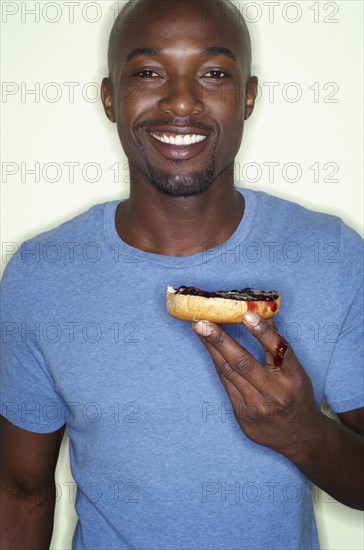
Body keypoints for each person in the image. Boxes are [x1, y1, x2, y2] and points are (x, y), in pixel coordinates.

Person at [1, 0, 363, 548]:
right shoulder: (39, 274)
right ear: (110, 98)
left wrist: (306, 438)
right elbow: (20, 492)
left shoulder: (331, 254)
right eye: (148, 72)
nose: (181, 101)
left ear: (248, 96)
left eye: (214, 73)